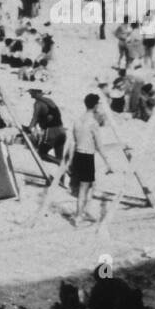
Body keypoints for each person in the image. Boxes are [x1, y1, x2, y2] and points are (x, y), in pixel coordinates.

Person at [61, 93, 114, 226]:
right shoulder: (93, 123)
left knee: (88, 186)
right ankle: (79, 216)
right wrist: (108, 163)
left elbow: (72, 141)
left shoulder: (78, 120)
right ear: (95, 105)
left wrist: (70, 160)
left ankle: (82, 213)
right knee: (84, 189)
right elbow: (99, 145)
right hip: (87, 157)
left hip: (78, 156)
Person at [25, 88, 66, 164]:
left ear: (37, 92)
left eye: (31, 92)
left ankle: (62, 163)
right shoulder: (49, 101)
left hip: (52, 132)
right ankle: (63, 169)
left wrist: (29, 128)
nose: (30, 93)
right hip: (61, 131)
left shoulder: (38, 104)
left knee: (41, 153)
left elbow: (35, 118)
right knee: (59, 157)